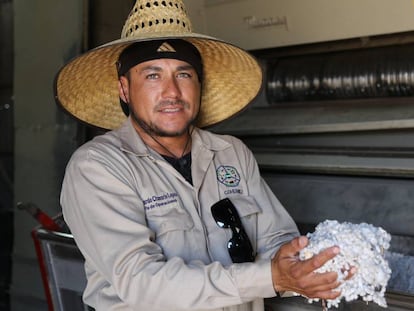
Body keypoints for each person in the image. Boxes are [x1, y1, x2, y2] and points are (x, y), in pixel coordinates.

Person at [55, 1, 352, 310]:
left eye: (183, 74)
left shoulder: (231, 154)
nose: (171, 92)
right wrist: (272, 277)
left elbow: (276, 241)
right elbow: (141, 281)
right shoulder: (98, 167)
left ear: (199, 85)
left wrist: (304, 266)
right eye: (152, 76)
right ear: (125, 90)